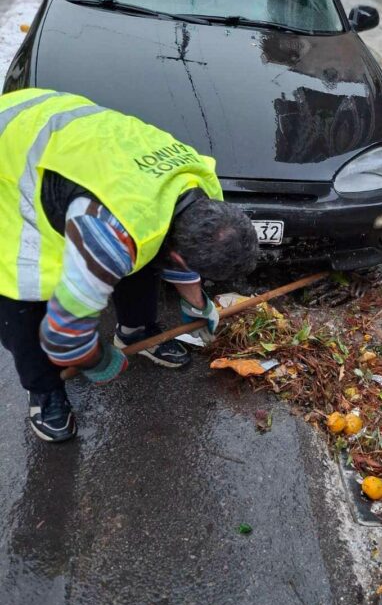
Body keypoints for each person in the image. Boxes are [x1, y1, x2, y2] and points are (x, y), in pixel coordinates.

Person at [0, 88, 259, 442]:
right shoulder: (108, 232)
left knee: (142, 251)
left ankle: (135, 331)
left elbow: (169, 246)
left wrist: (197, 304)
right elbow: (63, 337)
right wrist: (96, 360)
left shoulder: (198, 187)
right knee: (23, 289)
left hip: (57, 130)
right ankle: (44, 390)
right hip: (13, 158)